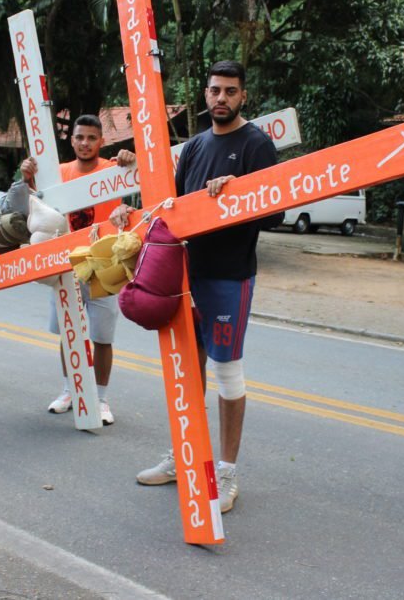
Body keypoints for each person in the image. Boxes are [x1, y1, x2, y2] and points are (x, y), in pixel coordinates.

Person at [110, 61, 281, 513]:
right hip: (184, 277)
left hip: (230, 277)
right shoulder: (195, 147)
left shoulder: (258, 145)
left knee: (226, 374)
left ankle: (226, 474)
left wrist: (238, 191)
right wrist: (127, 215)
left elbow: (277, 213)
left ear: (243, 96)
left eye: (229, 91)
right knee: (186, 370)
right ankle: (185, 458)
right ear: (205, 95)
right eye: (214, 91)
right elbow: (171, 209)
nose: (220, 98)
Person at [21, 114, 135, 426]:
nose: (85, 143)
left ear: (102, 141)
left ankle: (99, 398)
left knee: (101, 337)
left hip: (103, 264)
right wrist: (28, 176)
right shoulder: (57, 173)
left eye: (91, 138)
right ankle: (70, 390)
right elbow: (32, 201)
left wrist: (131, 159)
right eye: (79, 137)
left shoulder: (115, 169)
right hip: (65, 263)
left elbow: (143, 178)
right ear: (71, 141)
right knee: (68, 329)